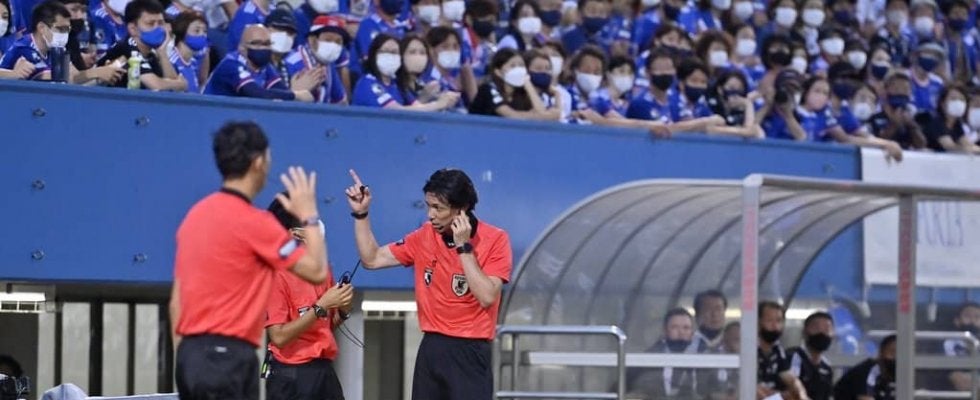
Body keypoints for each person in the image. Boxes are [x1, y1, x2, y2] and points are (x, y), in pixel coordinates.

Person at [170, 121, 328, 400]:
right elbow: (316, 270)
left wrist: (186, 356)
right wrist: (309, 216)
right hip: (229, 358)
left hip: (190, 357)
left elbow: (176, 302)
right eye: (269, 157)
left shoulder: (194, 217)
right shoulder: (256, 223)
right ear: (258, 163)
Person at [344, 167, 513, 400]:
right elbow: (372, 259)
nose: (430, 215)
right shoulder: (424, 236)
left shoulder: (495, 239)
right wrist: (361, 215)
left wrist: (463, 247)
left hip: (470, 351)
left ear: (462, 209)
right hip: (431, 347)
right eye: (428, 206)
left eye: (438, 208)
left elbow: (487, 296)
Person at [264, 195, 354, 400]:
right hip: (291, 374)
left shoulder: (321, 268)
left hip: (323, 370)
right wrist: (321, 306)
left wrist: (343, 308)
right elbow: (279, 337)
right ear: (294, 233)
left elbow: (325, 326)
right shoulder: (275, 274)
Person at [1, 0, 125, 83]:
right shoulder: (25, 49)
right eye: (60, 29)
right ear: (42, 28)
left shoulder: (57, 48)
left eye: (67, 30)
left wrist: (104, 73)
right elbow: (56, 77)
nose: (64, 35)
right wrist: (97, 73)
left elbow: (75, 78)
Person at [204, 24, 320, 101]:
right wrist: (296, 95)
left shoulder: (265, 66)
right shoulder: (231, 64)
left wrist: (291, 94)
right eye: (256, 43)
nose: (263, 48)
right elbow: (256, 93)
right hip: (211, 114)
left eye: (267, 44)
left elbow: (280, 89)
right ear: (242, 48)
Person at [352, 33, 459, 109]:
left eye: (394, 52)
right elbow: (397, 112)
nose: (390, 56)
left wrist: (442, 99)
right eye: (385, 51)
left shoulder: (396, 84)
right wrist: (438, 104)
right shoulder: (369, 82)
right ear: (373, 55)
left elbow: (416, 107)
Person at [96, 0, 186, 90]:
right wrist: (178, 84)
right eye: (150, 24)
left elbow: (173, 91)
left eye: (160, 23)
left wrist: (162, 53)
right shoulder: (127, 47)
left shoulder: (150, 56)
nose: (157, 28)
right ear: (133, 29)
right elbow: (155, 84)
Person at [626, 308, 709, 398]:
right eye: (674, 327)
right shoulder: (648, 360)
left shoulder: (705, 359)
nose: (681, 332)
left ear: (692, 333)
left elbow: (712, 389)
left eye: (686, 328)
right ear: (665, 331)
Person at [468, 47, 560, 119]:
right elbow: (511, 115)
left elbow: (542, 112)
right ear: (498, 72)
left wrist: (528, 85)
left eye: (521, 65)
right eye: (512, 66)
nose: (518, 69)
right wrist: (535, 116)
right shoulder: (489, 88)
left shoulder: (521, 92)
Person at [284, 14, 350, 104]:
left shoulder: (328, 64)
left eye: (338, 42)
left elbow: (341, 102)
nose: (333, 45)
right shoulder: (293, 63)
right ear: (312, 40)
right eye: (328, 40)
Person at [757, 301, 810, 400]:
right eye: (769, 320)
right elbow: (754, 389)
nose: (775, 326)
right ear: (758, 322)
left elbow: (790, 379)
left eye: (778, 321)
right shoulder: (749, 350)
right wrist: (784, 396)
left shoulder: (777, 350)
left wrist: (802, 395)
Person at [788, 312, 835, 400]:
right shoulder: (792, 357)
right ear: (805, 332)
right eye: (816, 328)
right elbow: (790, 391)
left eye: (827, 329)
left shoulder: (827, 367)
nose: (822, 333)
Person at [833, 334, 897, 400]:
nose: (896, 357)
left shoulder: (894, 376)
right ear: (881, 353)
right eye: (892, 353)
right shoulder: (868, 370)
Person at [924, 85, 980, 153]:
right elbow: (950, 147)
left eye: (961, 100)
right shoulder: (937, 123)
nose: (958, 102)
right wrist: (969, 149)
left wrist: (973, 148)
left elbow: (967, 144)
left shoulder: (957, 124)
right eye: (953, 99)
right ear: (942, 103)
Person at [168, 10, 209, 93]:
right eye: (197, 31)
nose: (202, 35)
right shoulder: (171, 61)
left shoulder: (193, 63)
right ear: (182, 32)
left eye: (205, 31)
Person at [943, 303, 980, 392]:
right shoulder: (946, 342)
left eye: (977, 317)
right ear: (957, 321)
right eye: (967, 316)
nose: (972, 321)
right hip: (952, 385)